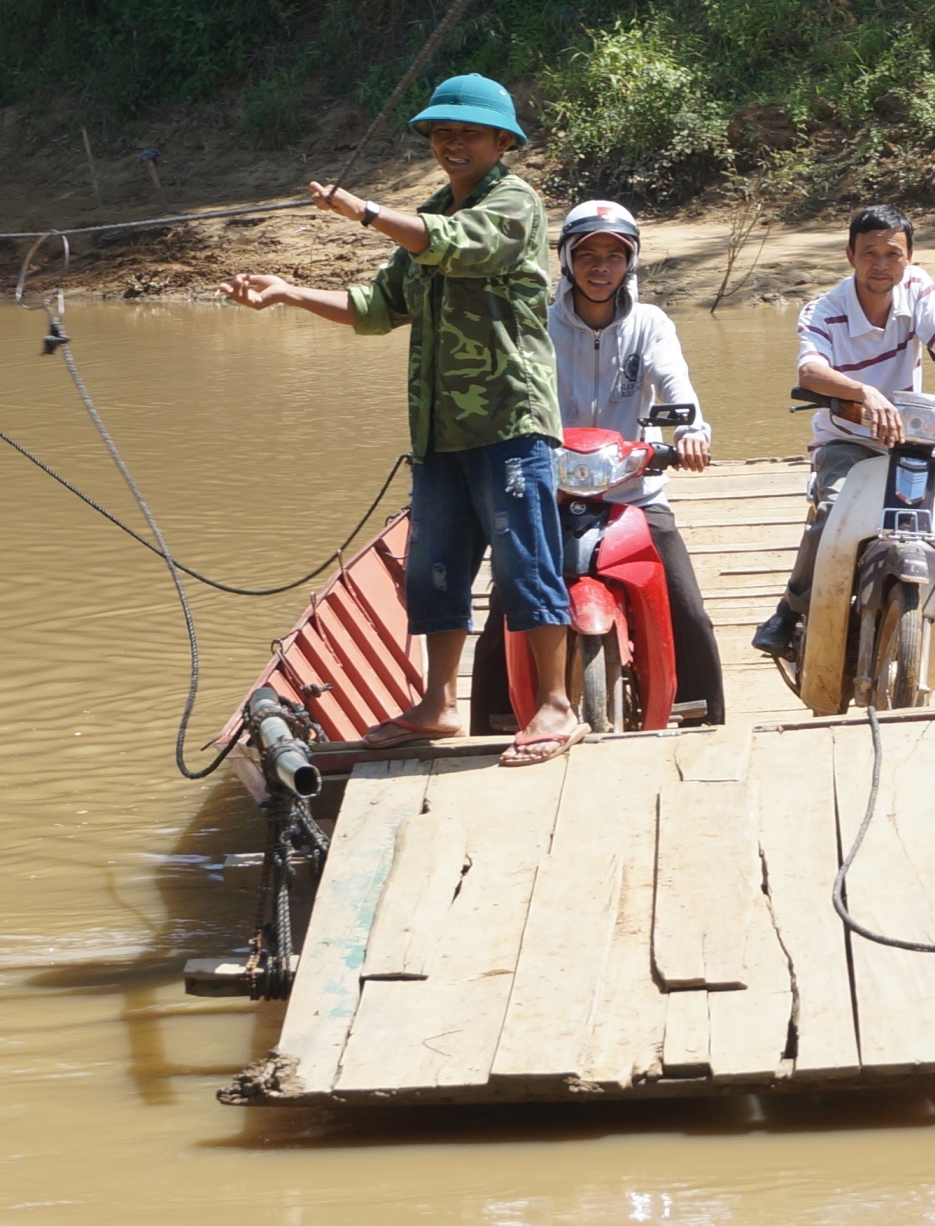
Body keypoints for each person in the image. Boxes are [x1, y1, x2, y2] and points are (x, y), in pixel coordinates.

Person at [224, 73, 583, 766]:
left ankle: (558, 707)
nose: (451, 142)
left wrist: (361, 210)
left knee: (526, 564)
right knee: (434, 572)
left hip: (509, 421)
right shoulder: (424, 217)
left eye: (467, 132)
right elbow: (377, 307)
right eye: (441, 132)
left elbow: (452, 241)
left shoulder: (515, 203)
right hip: (438, 430)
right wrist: (289, 293)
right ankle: (438, 704)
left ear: (503, 141)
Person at [748, 203, 935, 695]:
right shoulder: (824, 309)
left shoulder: (918, 288)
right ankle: (791, 610)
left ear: (909, 257)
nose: (881, 264)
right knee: (830, 514)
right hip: (846, 442)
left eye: (892, 254)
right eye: (869, 253)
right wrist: (864, 393)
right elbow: (809, 372)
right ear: (850, 255)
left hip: (916, 443)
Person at [544, 198, 725, 726]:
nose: (601, 267)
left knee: (689, 611)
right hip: (552, 490)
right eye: (587, 254)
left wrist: (691, 431)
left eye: (615, 256)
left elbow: (676, 384)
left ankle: (702, 718)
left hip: (634, 492)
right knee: (505, 611)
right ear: (566, 260)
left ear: (631, 263)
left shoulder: (650, 324)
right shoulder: (537, 324)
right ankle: (495, 716)